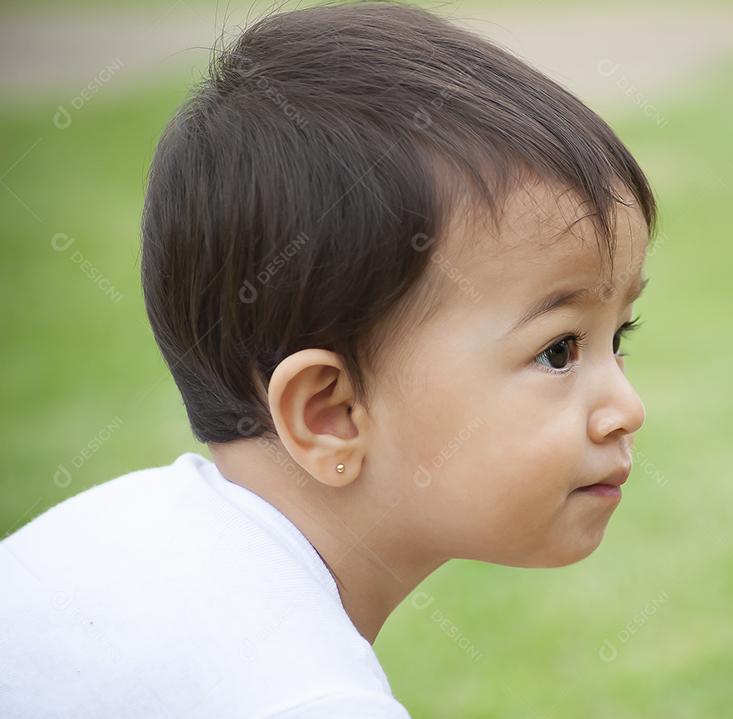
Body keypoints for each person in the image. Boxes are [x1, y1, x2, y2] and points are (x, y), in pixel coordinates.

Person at [0, 2, 658, 716]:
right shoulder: (301, 696)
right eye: (559, 351)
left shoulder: (109, 538)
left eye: (617, 336)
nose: (628, 408)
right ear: (331, 413)